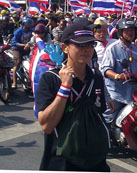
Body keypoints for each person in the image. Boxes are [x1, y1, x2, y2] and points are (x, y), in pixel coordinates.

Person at [35, 23, 110, 171]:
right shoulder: (50, 79)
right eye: (80, 45)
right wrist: (65, 88)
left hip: (95, 160)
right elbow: (47, 125)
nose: (87, 50)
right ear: (65, 47)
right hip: (62, 161)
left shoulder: (96, 77)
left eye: (90, 44)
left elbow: (99, 112)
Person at [101, 18, 137, 123]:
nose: (131, 33)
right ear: (120, 32)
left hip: (132, 93)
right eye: (127, 31)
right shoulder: (112, 48)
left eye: (132, 30)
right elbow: (106, 70)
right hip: (116, 94)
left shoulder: (135, 48)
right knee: (108, 120)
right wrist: (118, 76)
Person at [11, 17, 34, 89]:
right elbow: (14, 42)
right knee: (17, 64)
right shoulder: (18, 31)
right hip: (17, 49)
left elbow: (34, 39)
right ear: (24, 24)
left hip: (27, 49)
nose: (29, 25)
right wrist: (24, 45)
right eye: (28, 24)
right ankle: (14, 83)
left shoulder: (31, 31)